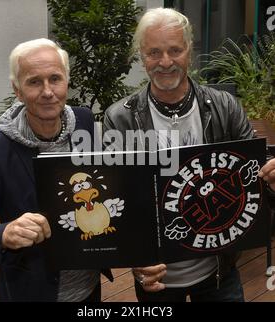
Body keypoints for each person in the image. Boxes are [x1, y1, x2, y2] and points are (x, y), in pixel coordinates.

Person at [103, 7, 275, 302]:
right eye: (154, 52)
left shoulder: (225, 106)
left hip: (219, 272)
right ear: (142, 56)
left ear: (189, 51)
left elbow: (254, 179)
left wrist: (270, 179)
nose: (165, 62)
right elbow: (114, 203)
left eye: (175, 50)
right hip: (156, 276)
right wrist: (134, 258)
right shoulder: (120, 118)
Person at [0, 38, 108, 301]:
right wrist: (4, 234)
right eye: (34, 81)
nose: (48, 91)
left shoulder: (84, 122)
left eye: (55, 78)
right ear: (17, 90)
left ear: (67, 82)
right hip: (33, 291)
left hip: (88, 288)